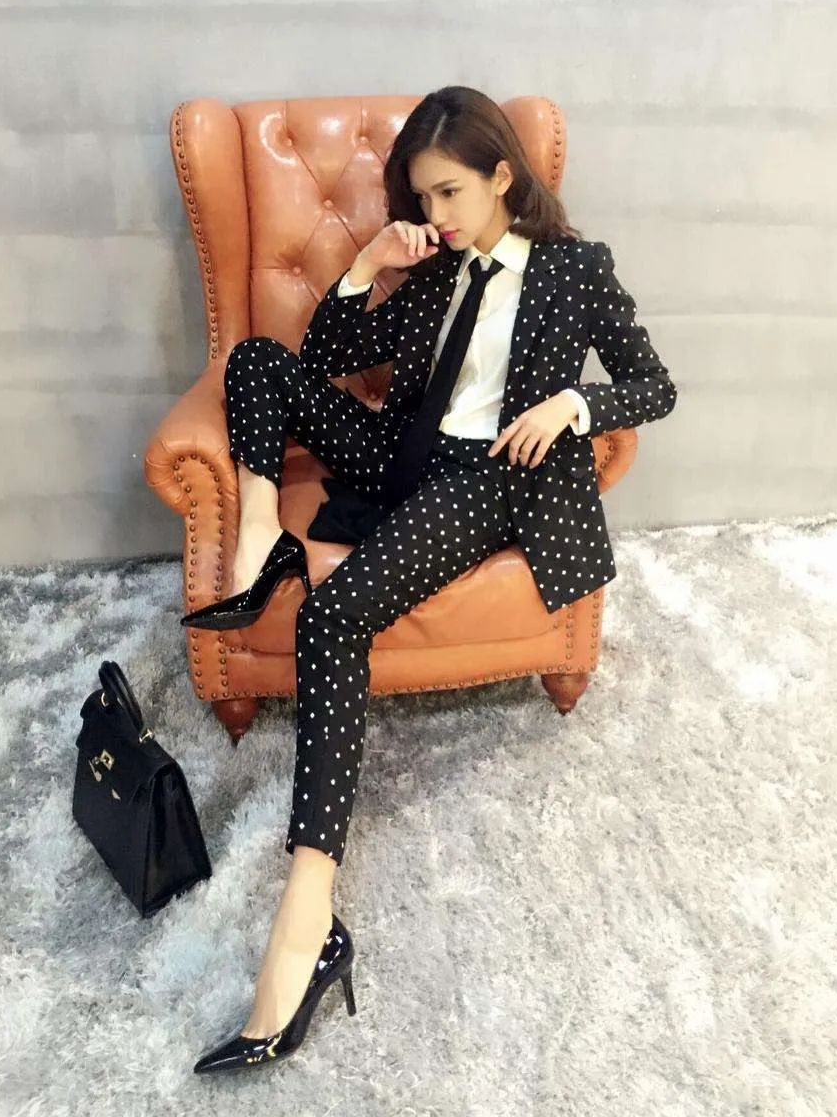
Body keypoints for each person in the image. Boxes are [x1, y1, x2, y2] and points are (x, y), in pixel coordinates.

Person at [188, 85, 678, 1075]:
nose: (437, 214)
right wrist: (371, 263)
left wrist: (575, 405)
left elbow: (655, 385)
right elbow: (325, 356)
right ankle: (261, 543)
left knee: (333, 616)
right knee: (256, 363)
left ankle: (306, 923)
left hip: (488, 477)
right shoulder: (431, 265)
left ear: (501, 176)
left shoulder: (575, 270)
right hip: (403, 454)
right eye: (422, 197)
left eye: (450, 192)